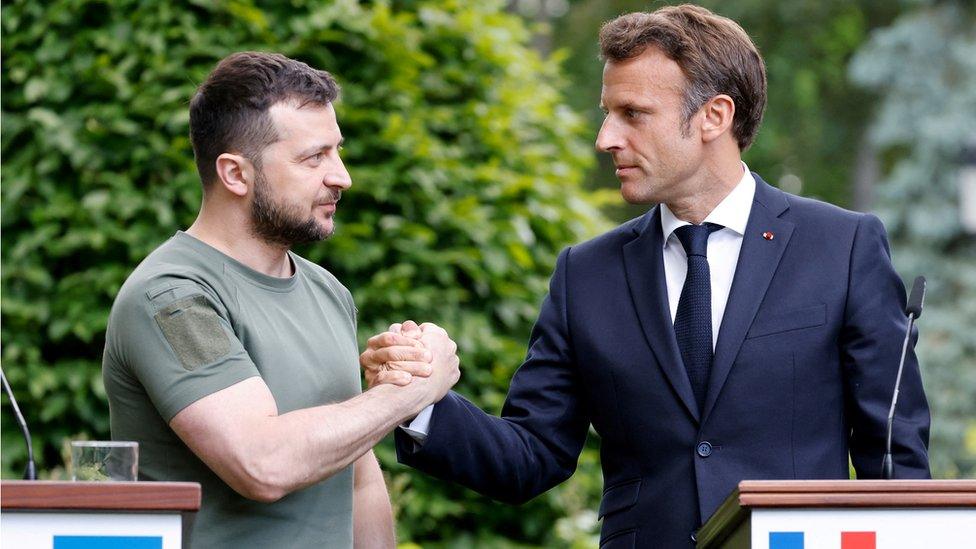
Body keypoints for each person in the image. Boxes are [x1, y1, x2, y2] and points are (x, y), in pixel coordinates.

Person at [370, 5, 931, 547]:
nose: (606, 138)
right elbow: (531, 454)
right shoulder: (583, 274)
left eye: (633, 114)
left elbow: (893, 455)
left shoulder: (842, 247)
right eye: (607, 113)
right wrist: (418, 403)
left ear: (715, 116)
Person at [102, 52, 459, 549]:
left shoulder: (327, 292)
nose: (342, 176)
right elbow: (261, 464)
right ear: (235, 174)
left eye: (337, 151)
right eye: (314, 158)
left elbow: (356, 475)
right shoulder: (173, 297)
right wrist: (413, 389)